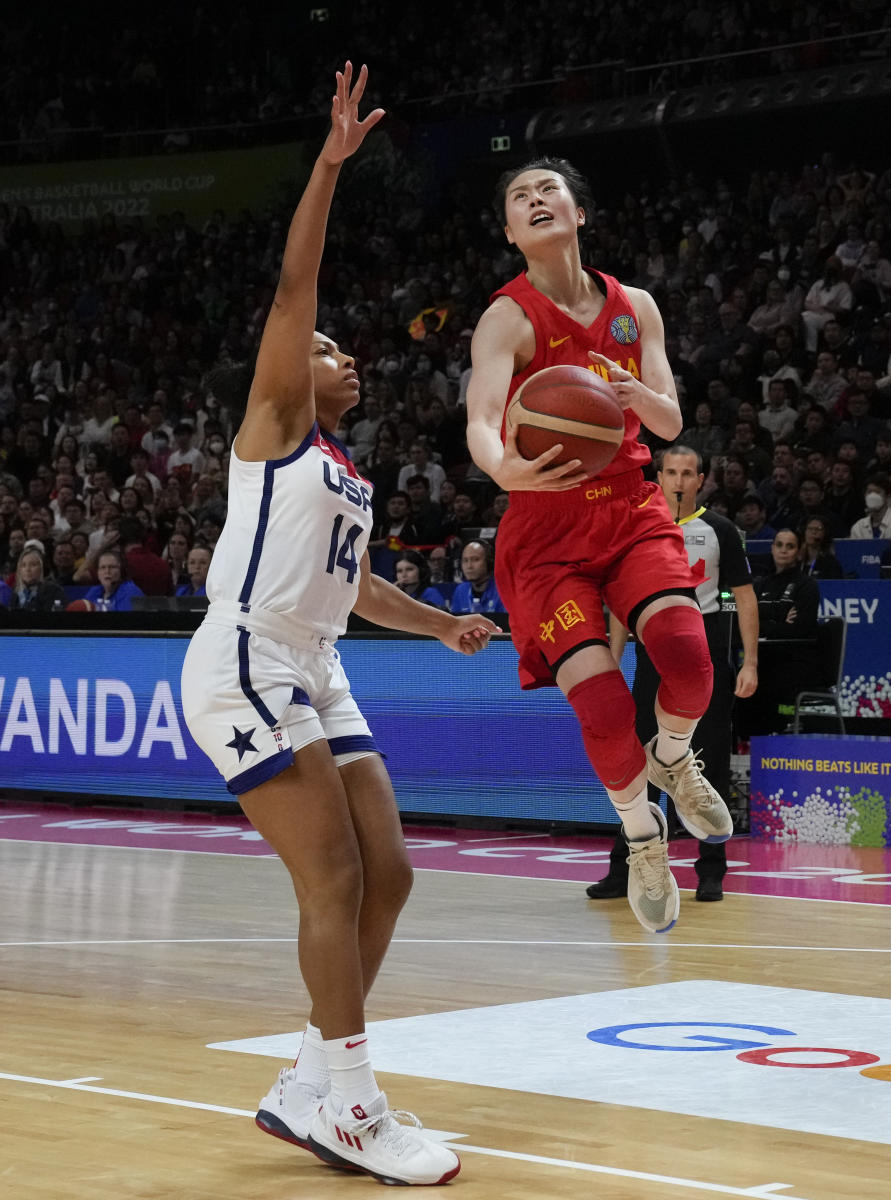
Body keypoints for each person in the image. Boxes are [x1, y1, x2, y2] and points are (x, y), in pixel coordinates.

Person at [179, 66, 493, 1188]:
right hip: (246, 656)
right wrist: (328, 165)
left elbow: (358, 592)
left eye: (343, 350)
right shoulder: (274, 424)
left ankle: (310, 1080)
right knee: (334, 883)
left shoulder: (342, 476)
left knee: (390, 874)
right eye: (328, 348)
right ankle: (351, 1105)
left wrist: (442, 625)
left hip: (317, 662)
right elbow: (292, 286)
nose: (341, 354)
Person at [465, 155, 732, 937]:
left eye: (549, 189)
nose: (535, 198)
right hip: (546, 530)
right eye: (520, 197)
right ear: (513, 233)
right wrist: (504, 465)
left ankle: (676, 758)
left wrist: (635, 396)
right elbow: (482, 419)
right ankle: (642, 836)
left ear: (578, 212)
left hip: (628, 506)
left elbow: (671, 422)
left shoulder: (633, 306)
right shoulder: (506, 318)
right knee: (605, 705)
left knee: (687, 655)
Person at [588, 447, 758, 904]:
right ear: (657, 476)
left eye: (687, 473)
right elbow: (623, 604)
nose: (679, 481)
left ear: (700, 479)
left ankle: (711, 871)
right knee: (637, 763)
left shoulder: (720, 530)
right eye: (671, 473)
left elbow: (745, 598)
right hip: (650, 662)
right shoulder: (637, 527)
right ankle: (628, 867)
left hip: (705, 663)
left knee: (706, 767)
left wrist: (750, 662)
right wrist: (612, 660)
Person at [736, 528, 821, 736]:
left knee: (769, 687)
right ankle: (743, 751)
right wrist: (778, 620)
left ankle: (772, 748)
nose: (784, 551)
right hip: (762, 659)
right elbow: (744, 623)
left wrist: (762, 622)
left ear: (799, 551)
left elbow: (800, 629)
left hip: (793, 662)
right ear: (772, 549)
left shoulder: (807, 586)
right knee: (736, 684)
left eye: (790, 546)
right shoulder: (759, 585)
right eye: (779, 545)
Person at [449, 539, 503, 613]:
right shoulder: (461, 591)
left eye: (475, 559)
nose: (469, 566)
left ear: (489, 562)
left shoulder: (501, 590)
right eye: (465, 560)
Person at [83, 547, 144, 611]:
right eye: (103, 567)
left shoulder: (131, 591)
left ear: (122, 571)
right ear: (98, 573)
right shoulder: (95, 591)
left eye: (112, 567)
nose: (107, 571)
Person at [8, 544, 66, 611]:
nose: (27, 569)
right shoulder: (15, 592)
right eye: (23, 565)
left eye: (33, 565)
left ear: (41, 568)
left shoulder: (53, 590)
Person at [849, 475, 891, 540]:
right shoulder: (858, 527)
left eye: (877, 492)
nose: (872, 496)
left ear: (887, 496)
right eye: (869, 492)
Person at [797, 515, 844, 579]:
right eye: (810, 529)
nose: (813, 532)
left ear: (825, 533)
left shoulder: (830, 563)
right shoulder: (796, 561)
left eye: (818, 529)